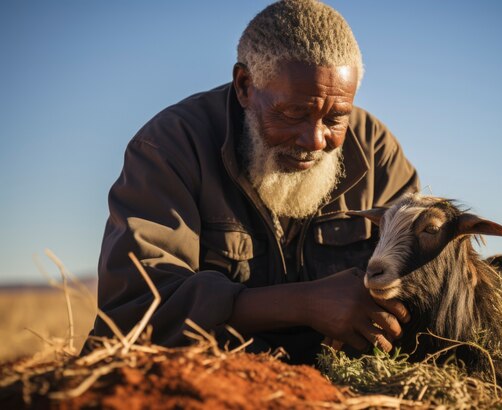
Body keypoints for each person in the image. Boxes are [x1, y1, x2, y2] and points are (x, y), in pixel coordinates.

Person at [90, 0, 419, 364]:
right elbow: (134, 313)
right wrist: (303, 303)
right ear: (245, 85)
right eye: (295, 113)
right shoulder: (170, 147)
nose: (315, 140)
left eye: (336, 118)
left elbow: (426, 272)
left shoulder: (374, 150)